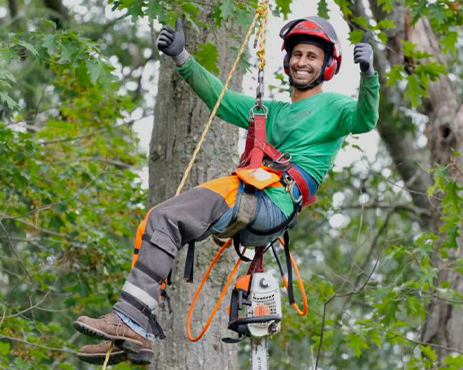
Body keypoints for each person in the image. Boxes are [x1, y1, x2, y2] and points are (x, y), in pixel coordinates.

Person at [73, 15, 380, 365]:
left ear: (327, 65)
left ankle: (128, 321)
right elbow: (219, 97)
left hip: (268, 200)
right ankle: (132, 334)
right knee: (153, 225)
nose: (302, 62)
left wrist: (369, 75)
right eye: (297, 54)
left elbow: (365, 119)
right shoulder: (270, 112)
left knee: (166, 217)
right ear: (287, 60)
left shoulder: (335, 108)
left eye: (311, 56)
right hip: (253, 196)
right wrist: (181, 58)